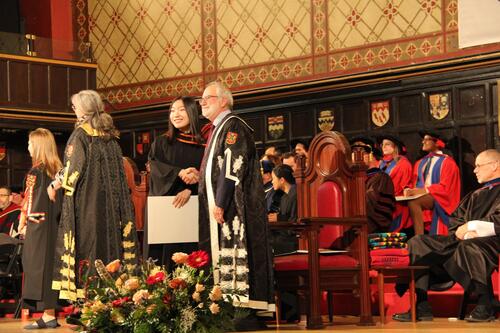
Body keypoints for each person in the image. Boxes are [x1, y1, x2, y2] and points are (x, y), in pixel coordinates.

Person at [49, 90, 138, 301]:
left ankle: (89, 301)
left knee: (89, 247)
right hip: (113, 208)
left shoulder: (80, 135)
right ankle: (112, 298)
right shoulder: (110, 136)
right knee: (110, 247)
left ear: (82, 110)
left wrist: (55, 183)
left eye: (74, 106)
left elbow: (73, 170)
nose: (73, 110)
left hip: (88, 206)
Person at [197, 81, 275, 326]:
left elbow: (231, 167)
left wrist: (220, 202)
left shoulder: (233, 126)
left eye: (207, 97)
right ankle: (223, 306)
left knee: (236, 251)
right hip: (223, 208)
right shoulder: (218, 128)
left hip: (235, 208)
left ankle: (241, 309)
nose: (203, 102)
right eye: (201, 99)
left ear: (223, 100)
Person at [393, 149, 500, 322]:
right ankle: (421, 305)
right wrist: (464, 232)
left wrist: (472, 227)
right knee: (418, 242)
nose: (474, 170)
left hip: (491, 241)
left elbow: (498, 222)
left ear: (494, 165)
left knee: (469, 246)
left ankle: (485, 302)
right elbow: (456, 221)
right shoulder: (476, 194)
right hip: (462, 240)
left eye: (479, 166)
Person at [147, 96, 205, 270]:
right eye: (172, 110)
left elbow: (211, 174)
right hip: (167, 208)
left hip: (194, 209)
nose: (175, 114)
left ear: (192, 112)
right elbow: (154, 167)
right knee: (165, 261)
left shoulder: (204, 144)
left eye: (181, 110)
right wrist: (178, 173)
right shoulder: (162, 142)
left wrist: (191, 189)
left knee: (192, 260)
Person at [19, 128, 62, 329]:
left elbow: (31, 203)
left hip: (39, 227)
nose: (28, 147)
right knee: (48, 270)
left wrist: (25, 224)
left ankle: (48, 315)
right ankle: (49, 314)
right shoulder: (57, 170)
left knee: (39, 268)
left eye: (30, 143)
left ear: (37, 145)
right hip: (53, 226)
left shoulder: (36, 171)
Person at [403, 131, 460, 235]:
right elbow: (414, 181)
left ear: (437, 143)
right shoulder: (420, 162)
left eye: (427, 139)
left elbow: (446, 187)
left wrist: (424, 190)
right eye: (423, 139)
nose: (423, 142)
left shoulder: (448, 163)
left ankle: (419, 237)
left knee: (413, 202)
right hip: (422, 194)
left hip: (438, 196)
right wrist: (408, 189)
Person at [377, 135, 413, 233]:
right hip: (380, 201)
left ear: (395, 147)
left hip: (396, 202)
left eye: (387, 144)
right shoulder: (380, 163)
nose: (384, 147)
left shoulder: (404, 164)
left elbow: (405, 185)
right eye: (382, 145)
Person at [267, 164, 298, 254]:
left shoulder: (296, 194)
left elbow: (295, 222)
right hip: (283, 233)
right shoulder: (283, 197)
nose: (272, 182)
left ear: (282, 180)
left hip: (292, 238)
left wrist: (279, 218)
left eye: (273, 179)